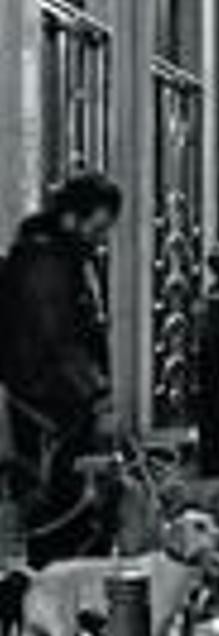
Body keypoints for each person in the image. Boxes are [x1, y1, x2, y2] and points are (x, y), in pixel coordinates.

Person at [0, 173, 123, 567]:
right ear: (72, 217)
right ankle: (59, 604)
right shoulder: (45, 263)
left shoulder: (62, 258)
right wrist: (99, 396)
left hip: (61, 404)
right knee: (61, 509)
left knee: (76, 507)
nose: (101, 238)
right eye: (98, 227)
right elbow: (60, 339)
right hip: (49, 408)